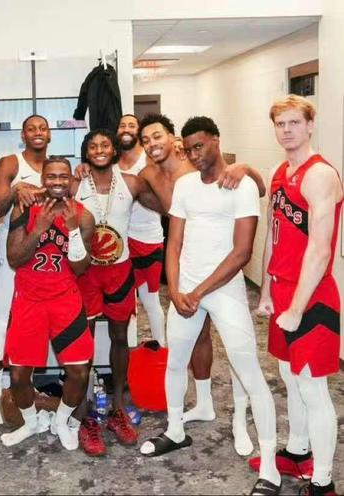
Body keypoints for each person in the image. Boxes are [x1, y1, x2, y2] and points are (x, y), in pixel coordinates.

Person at [139, 116, 280, 496]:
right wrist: (174, 289)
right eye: (189, 149)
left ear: (216, 140)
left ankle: (269, 465)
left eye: (200, 146)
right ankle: (175, 430)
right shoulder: (185, 185)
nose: (194, 154)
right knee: (175, 362)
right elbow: (174, 241)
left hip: (223, 290)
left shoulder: (240, 184)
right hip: (186, 291)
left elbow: (242, 252)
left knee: (249, 371)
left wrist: (198, 291)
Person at [251, 95, 342, 496]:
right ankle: (298, 450)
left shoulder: (319, 174)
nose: (286, 130)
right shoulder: (279, 172)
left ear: (309, 126)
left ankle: (322, 481)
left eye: (294, 123)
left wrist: (297, 308)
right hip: (283, 291)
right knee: (290, 378)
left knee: (313, 387)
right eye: (280, 124)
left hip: (313, 297)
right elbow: (274, 236)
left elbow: (320, 250)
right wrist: (267, 289)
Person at [74, 129, 162, 456]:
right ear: (86, 153)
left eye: (105, 145)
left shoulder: (131, 182)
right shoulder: (75, 183)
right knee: (82, 342)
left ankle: (118, 407)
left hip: (119, 271)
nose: (99, 150)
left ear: (114, 150)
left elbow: (167, 205)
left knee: (120, 336)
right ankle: (84, 414)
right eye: (93, 146)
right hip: (86, 272)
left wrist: (157, 169)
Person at [2, 156, 95, 450]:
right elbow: (14, 258)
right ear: (42, 179)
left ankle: (61, 421)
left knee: (79, 372)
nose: (57, 182)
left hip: (65, 299)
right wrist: (39, 229)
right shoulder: (25, 207)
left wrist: (73, 231)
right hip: (29, 299)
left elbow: (81, 268)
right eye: (51, 176)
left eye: (63, 176)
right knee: (18, 374)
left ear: (71, 180)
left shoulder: (83, 216)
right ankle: (31, 423)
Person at [0, 114, 50, 424]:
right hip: (11, 250)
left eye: (42, 128)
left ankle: (25, 387)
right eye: (31, 129)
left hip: (42, 256)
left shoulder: (54, 168)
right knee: (2, 321)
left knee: (31, 324)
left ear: (49, 135)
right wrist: (15, 190)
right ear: (23, 135)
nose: (37, 132)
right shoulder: (11, 163)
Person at [116, 114, 166, 346]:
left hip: (147, 239)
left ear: (138, 131)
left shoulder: (150, 161)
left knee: (150, 299)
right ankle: (127, 350)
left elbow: (165, 200)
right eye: (122, 125)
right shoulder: (112, 162)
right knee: (124, 301)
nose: (126, 129)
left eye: (131, 125)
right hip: (120, 240)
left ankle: (161, 347)